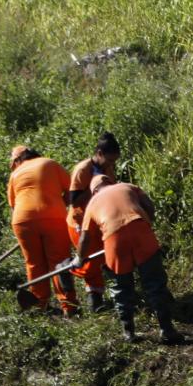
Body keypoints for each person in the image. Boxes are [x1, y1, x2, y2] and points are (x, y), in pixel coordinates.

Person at [74, 174, 184, 344]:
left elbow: (85, 237)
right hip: (140, 229)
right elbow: (149, 205)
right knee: (155, 284)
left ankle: (129, 333)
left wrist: (79, 258)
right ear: (110, 182)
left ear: (93, 191)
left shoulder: (92, 203)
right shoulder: (127, 186)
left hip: (113, 239)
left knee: (121, 289)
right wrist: (147, 224)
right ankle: (167, 330)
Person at [7, 145, 79, 316]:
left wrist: (28, 225)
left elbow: (13, 205)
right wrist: (59, 203)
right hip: (53, 217)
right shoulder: (50, 163)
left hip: (22, 221)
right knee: (59, 261)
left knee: (34, 263)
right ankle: (68, 306)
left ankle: (40, 305)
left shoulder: (14, 174)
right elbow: (72, 191)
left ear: (18, 161)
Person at [66, 132, 120, 315]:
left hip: (99, 219)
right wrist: (97, 192)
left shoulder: (108, 169)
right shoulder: (83, 169)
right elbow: (73, 200)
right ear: (99, 153)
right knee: (89, 260)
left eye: (114, 162)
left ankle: (105, 298)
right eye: (109, 161)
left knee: (103, 257)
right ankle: (93, 302)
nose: (111, 165)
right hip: (80, 220)